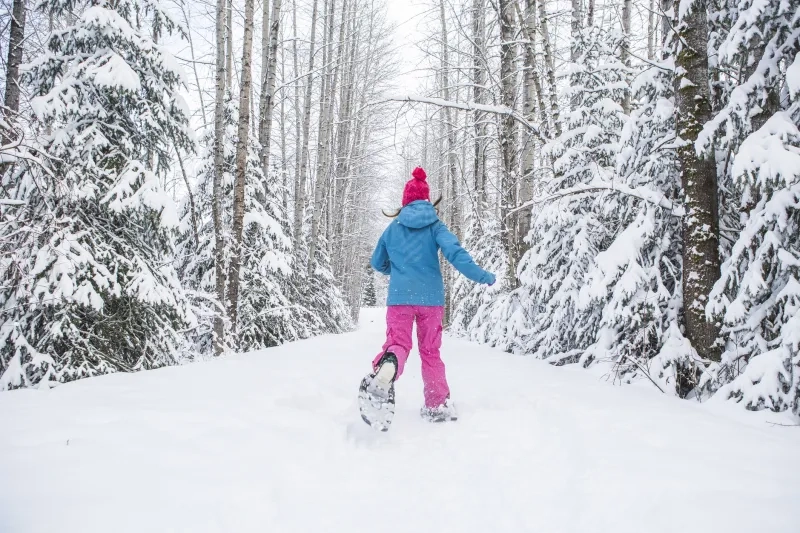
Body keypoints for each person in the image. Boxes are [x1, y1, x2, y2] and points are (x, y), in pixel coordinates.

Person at [368, 166, 495, 422]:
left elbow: (377, 262)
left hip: (400, 299)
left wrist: (397, 270)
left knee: (398, 344)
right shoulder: (436, 226)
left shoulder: (392, 228)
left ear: (405, 201)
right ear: (427, 200)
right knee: (430, 351)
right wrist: (483, 275)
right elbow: (456, 254)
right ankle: (437, 406)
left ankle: (388, 366)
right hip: (431, 300)